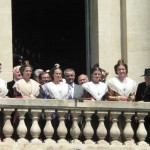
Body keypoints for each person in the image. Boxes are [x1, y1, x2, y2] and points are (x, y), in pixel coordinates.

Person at [106, 59, 137, 142]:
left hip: (128, 110)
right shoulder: (112, 82)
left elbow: (133, 96)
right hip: (116, 110)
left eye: (123, 69)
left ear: (126, 70)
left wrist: (130, 99)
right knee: (117, 132)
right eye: (119, 69)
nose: (121, 71)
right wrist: (118, 98)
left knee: (128, 131)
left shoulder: (132, 82)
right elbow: (109, 97)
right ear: (116, 71)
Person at [135, 68, 150, 143]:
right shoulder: (140, 85)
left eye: (149, 76)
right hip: (140, 115)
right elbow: (137, 99)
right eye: (146, 76)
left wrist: (143, 101)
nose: (147, 78)